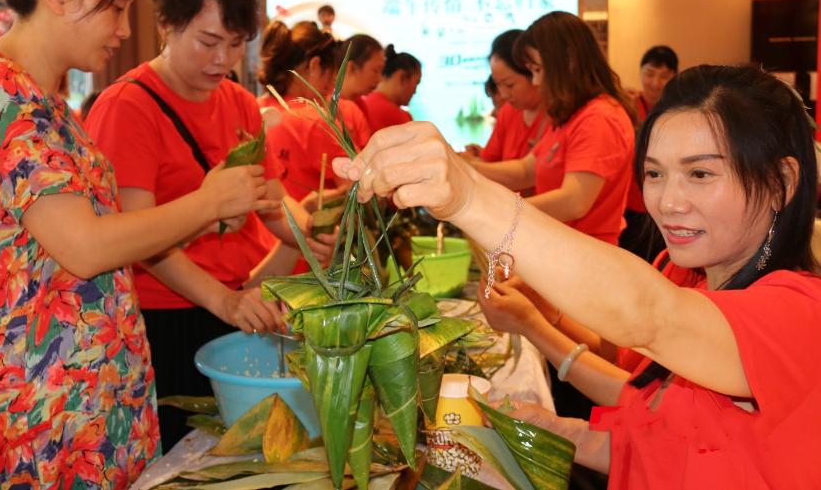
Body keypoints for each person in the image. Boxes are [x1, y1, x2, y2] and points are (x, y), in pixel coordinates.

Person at [337, 64, 821, 489]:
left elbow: (649, 317)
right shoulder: (683, 273)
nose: (669, 202)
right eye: (654, 174)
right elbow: (663, 433)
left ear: (781, 182)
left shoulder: (799, 315)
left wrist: (470, 198)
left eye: (700, 175)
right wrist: (555, 431)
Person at [0, 0, 277, 489]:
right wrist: (206, 202)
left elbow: (108, 233)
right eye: (114, 9)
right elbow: (86, 247)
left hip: (83, 397)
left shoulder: (44, 99)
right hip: (38, 409)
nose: (123, 29)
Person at [84, 0, 331, 451]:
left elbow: (271, 199)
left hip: (235, 306)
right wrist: (224, 301)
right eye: (208, 41)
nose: (223, 60)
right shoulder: (127, 108)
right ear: (167, 24)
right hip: (163, 320)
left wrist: (311, 235)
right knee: (178, 454)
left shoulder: (239, 103)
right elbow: (139, 237)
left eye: (236, 44)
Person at [464, 13, 636, 246]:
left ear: (568, 63)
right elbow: (526, 170)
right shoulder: (572, 115)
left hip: (585, 254)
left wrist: (501, 212)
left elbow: (575, 200)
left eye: (537, 70)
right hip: (558, 247)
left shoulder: (600, 117)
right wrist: (468, 169)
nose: (535, 82)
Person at [258, 20, 363, 202]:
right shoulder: (315, 121)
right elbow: (360, 185)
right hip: (307, 228)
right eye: (331, 74)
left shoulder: (255, 107)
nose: (331, 86)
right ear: (314, 65)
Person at [462, 30, 547, 196]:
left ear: (534, 72)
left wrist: (468, 165)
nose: (504, 94)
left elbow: (527, 174)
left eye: (509, 85)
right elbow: (489, 162)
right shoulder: (509, 112)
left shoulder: (558, 115)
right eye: (498, 85)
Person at [619, 45, 679, 261]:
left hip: (663, 204)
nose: (655, 83)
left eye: (664, 76)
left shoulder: (678, 112)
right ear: (641, 72)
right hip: (631, 204)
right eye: (650, 74)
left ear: (674, 77)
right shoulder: (627, 106)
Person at [357, 44, 420, 133]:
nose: (415, 91)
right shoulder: (400, 118)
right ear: (402, 77)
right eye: (416, 83)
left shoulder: (361, 104)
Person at [337, 33, 385, 104]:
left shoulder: (360, 104)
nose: (379, 79)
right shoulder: (326, 105)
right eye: (375, 70)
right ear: (351, 68)